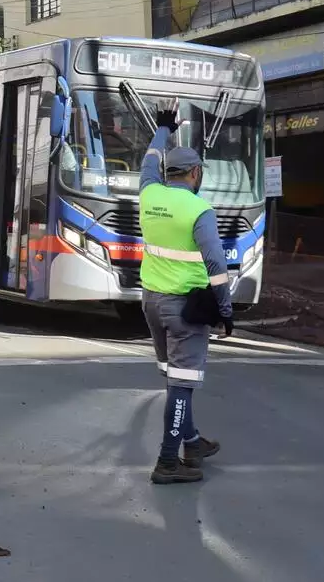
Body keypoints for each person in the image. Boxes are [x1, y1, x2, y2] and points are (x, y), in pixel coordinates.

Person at [139, 102, 234, 485]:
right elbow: (215, 264)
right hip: (185, 308)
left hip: (151, 303)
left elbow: (147, 162)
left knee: (175, 377)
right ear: (195, 173)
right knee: (181, 385)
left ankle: (192, 442)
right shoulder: (199, 209)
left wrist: (163, 129)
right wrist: (225, 311)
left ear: (167, 172)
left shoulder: (149, 194)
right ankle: (167, 461)